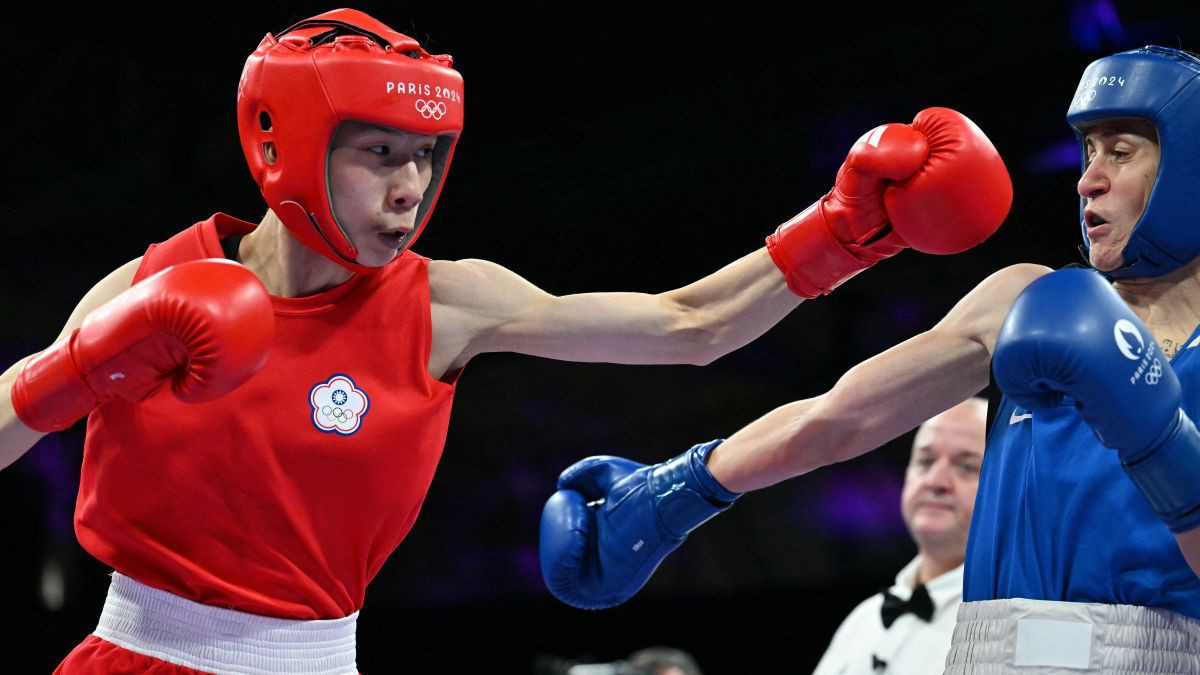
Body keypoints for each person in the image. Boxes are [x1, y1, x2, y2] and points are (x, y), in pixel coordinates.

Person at [0, 8, 1009, 674]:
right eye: (378, 154)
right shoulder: (156, 282)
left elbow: (688, 328)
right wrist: (71, 371)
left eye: (426, 158)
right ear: (286, 147)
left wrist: (843, 234)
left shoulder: (447, 304)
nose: (408, 189)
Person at [539, 46, 1200, 672]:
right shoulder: (1025, 299)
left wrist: (1156, 435)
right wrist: (676, 491)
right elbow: (842, 415)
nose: (1088, 179)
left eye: (1120, 152)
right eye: (1087, 151)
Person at [813, 397, 986, 675]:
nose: (935, 481)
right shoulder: (863, 619)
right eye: (925, 461)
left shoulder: (1011, 623)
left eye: (966, 467)